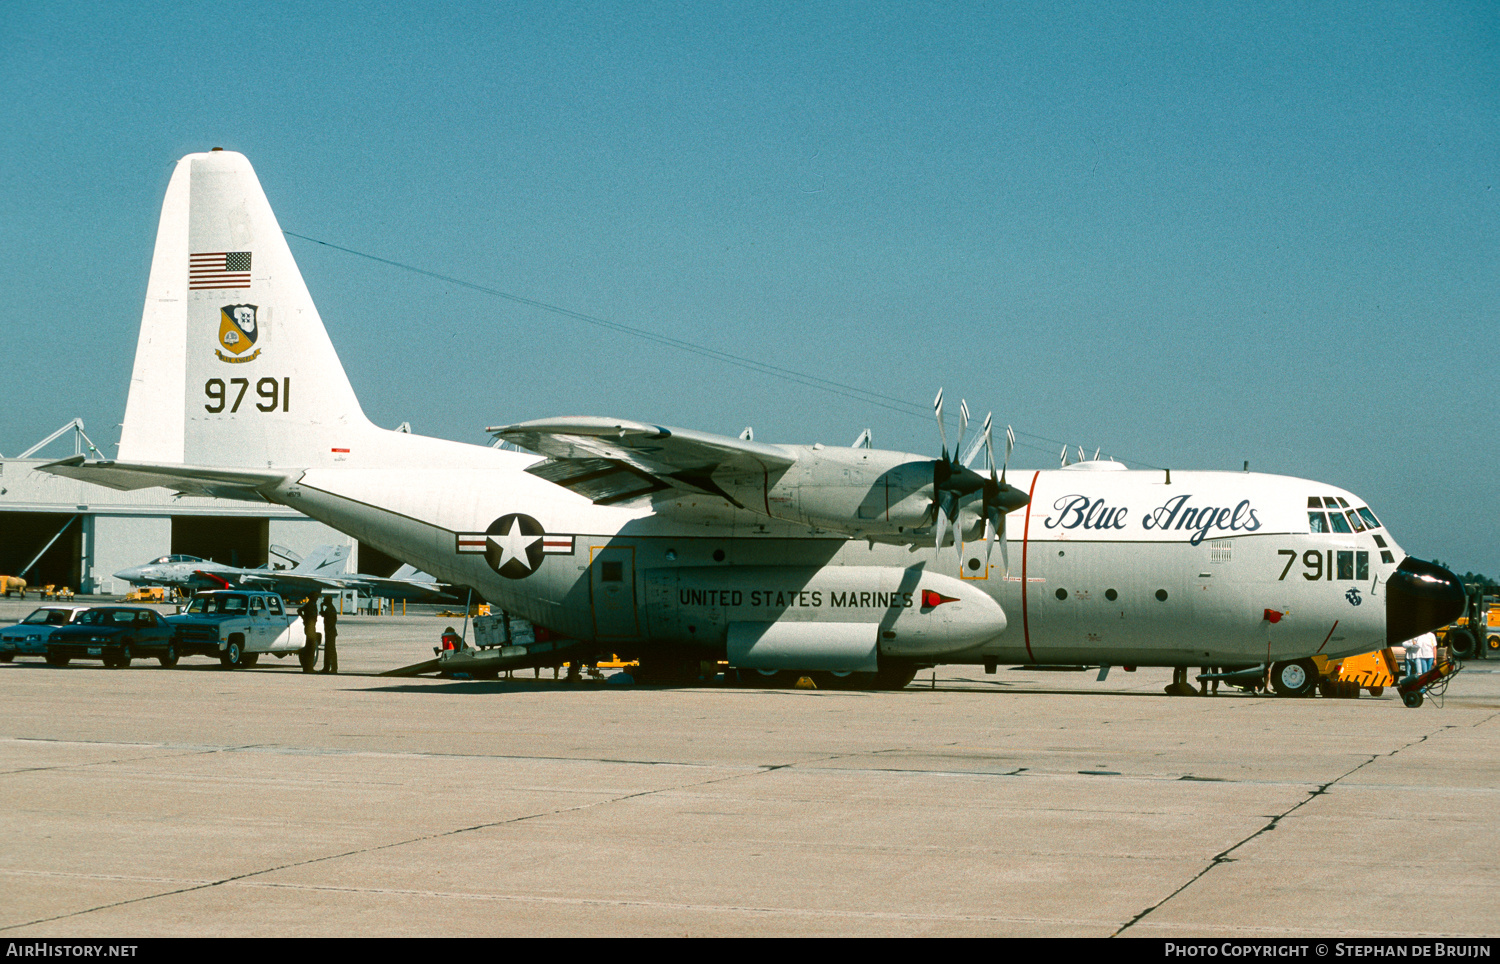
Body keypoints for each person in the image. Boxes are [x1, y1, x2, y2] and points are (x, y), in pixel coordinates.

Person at [298, 595, 320, 672]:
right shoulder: (310, 604)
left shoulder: (311, 604)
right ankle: (308, 668)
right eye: (316, 597)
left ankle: (308, 667)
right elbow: (299, 610)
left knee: (310, 647)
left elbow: (300, 610)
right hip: (309, 627)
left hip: (311, 626)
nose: (317, 598)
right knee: (311, 647)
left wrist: (304, 617)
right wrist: (304, 618)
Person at [319, 596, 339, 674]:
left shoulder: (330, 609)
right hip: (329, 632)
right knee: (328, 651)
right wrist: (321, 607)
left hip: (330, 632)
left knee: (331, 650)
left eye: (325, 601)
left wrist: (321, 607)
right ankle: (327, 668)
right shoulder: (330, 608)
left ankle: (333, 668)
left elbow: (331, 620)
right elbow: (323, 614)